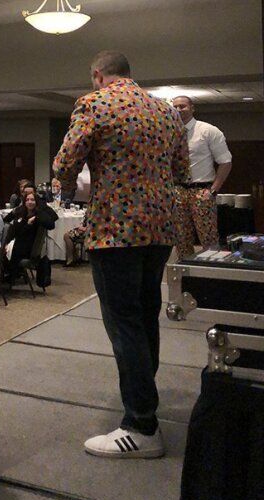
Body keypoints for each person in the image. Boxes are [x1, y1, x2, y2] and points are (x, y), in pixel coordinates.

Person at [53, 51, 190, 459]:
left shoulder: (94, 103)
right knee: (146, 316)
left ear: (98, 75)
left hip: (116, 230)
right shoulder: (167, 112)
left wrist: (76, 183)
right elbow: (182, 171)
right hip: (160, 227)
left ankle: (141, 425)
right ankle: (144, 400)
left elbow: (64, 164)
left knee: (123, 323)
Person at [172, 95, 233, 255]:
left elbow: (225, 162)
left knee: (208, 237)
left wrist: (213, 190)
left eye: (183, 106)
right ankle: (185, 268)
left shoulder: (208, 131)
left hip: (202, 190)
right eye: (175, 107)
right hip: (177, 190)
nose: (178, 110)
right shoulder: (169, 132)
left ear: (192, 108)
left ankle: (211, 267)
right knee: (181, 238)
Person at [2, 192, 58, 286]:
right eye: (27, 200)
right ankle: (9, 274)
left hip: (28, 249)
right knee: (4, 247)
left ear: (36, 202)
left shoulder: (39, 214)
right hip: (19, 243)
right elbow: (12, 228)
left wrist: (33, 219)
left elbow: (51, 225)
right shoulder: (21, 212)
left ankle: (9, 276)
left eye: (32, 200)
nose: (30, 202)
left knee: (2, 253)